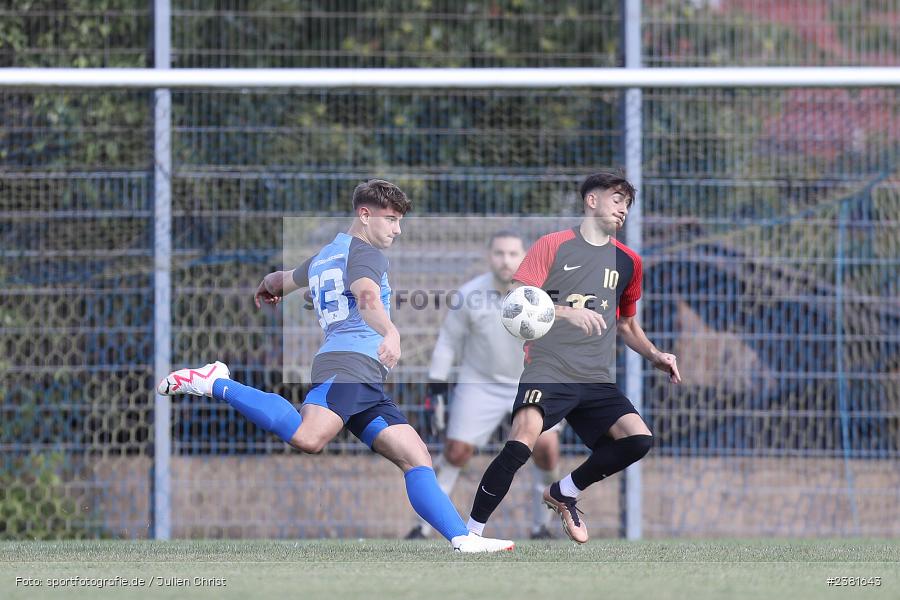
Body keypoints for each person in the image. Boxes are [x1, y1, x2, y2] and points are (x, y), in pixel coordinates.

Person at [157, 179, 514, 553]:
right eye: (390, 219)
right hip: (350, 366)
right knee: (309, 437)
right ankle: (218, 383)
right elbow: (365, 296)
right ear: (364, 215)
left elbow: (284, 279)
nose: (397, 229)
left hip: (361, 376)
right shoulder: (367, 253)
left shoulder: (326, 254)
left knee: (415, 455)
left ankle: (461, 538)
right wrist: (390, 332)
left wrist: (270, 285)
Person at [465, 171, 682, 544]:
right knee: (521, 443)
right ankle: (470, 533)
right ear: (591, 201)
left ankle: (564, 491)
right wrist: (567, 311)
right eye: (617, 199)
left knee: (638, 440)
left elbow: (627, 325)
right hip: (548, 366)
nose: (623, 209)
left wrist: (654, 354)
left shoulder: (629, 262)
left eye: (628, 203)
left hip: (595, 376)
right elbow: (517, 299)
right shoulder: (553, 245)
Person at [405, 231, 565, 541]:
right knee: (456, 452)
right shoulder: (470, 295)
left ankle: (542, 526)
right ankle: (421, 528)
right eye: (499, 253)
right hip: (480, 384)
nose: (506, 260)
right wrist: (436, 386)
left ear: (524, 257)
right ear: (489, 257)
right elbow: (448, 342)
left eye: (513, 253)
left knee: (546, 450)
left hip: (532, 383)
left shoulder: (542, 294)